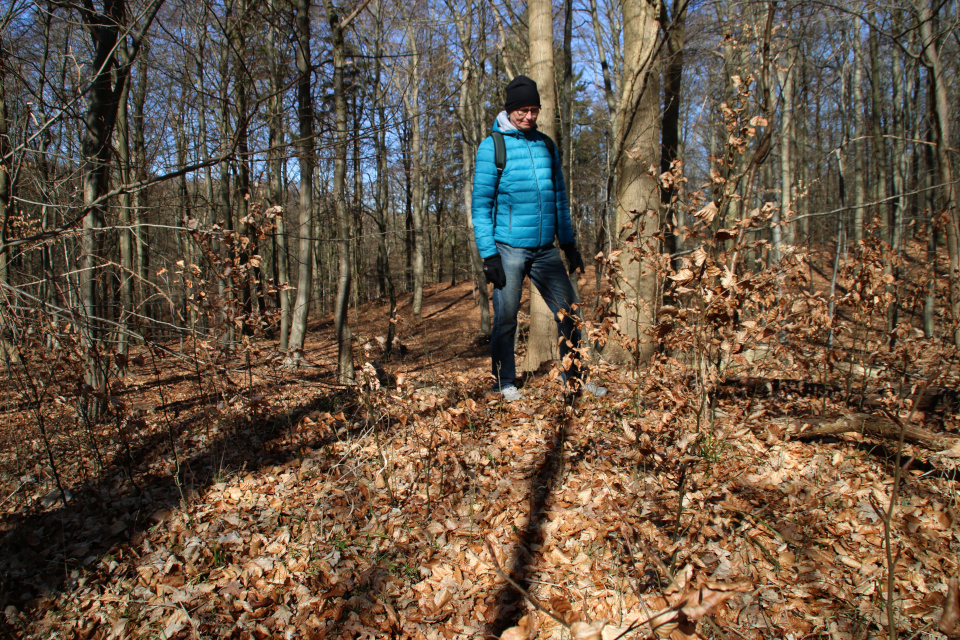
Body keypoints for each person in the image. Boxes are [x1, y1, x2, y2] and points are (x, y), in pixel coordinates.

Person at [471, 75, 606, 402]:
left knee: (570, 314)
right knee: (505, 319)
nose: (530, 116)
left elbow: (559, 197)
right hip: (509, 249)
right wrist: (489, 256)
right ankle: (504, 384)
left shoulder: (546, 145)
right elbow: (480, 206)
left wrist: (569, 243)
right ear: (510, 109)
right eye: (523, 110)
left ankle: (576, 379)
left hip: (546, 249)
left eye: (535, 110)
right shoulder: (493, 146)